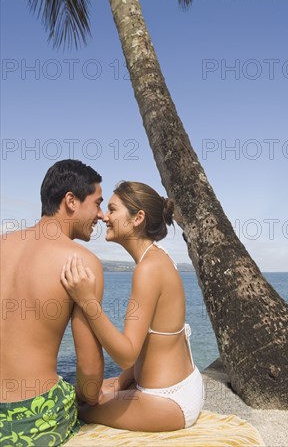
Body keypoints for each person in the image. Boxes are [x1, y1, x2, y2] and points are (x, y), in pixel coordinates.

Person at [61, 181, 205, 432]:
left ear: (138, 218)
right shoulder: (158, 258)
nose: (105, 217)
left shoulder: (147, 269)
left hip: (167, 400)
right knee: (100, 389)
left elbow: (126, 353)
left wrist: (87, 300)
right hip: (183, 385)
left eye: (113, 210)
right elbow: (152, 342)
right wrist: (120, 382)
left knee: (80, 407)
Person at [0, 160, 105, 446]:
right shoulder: (82, 263)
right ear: (70, 200)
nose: (101, 215)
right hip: (33, 419)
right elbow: (91, 381)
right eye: (97, 203)